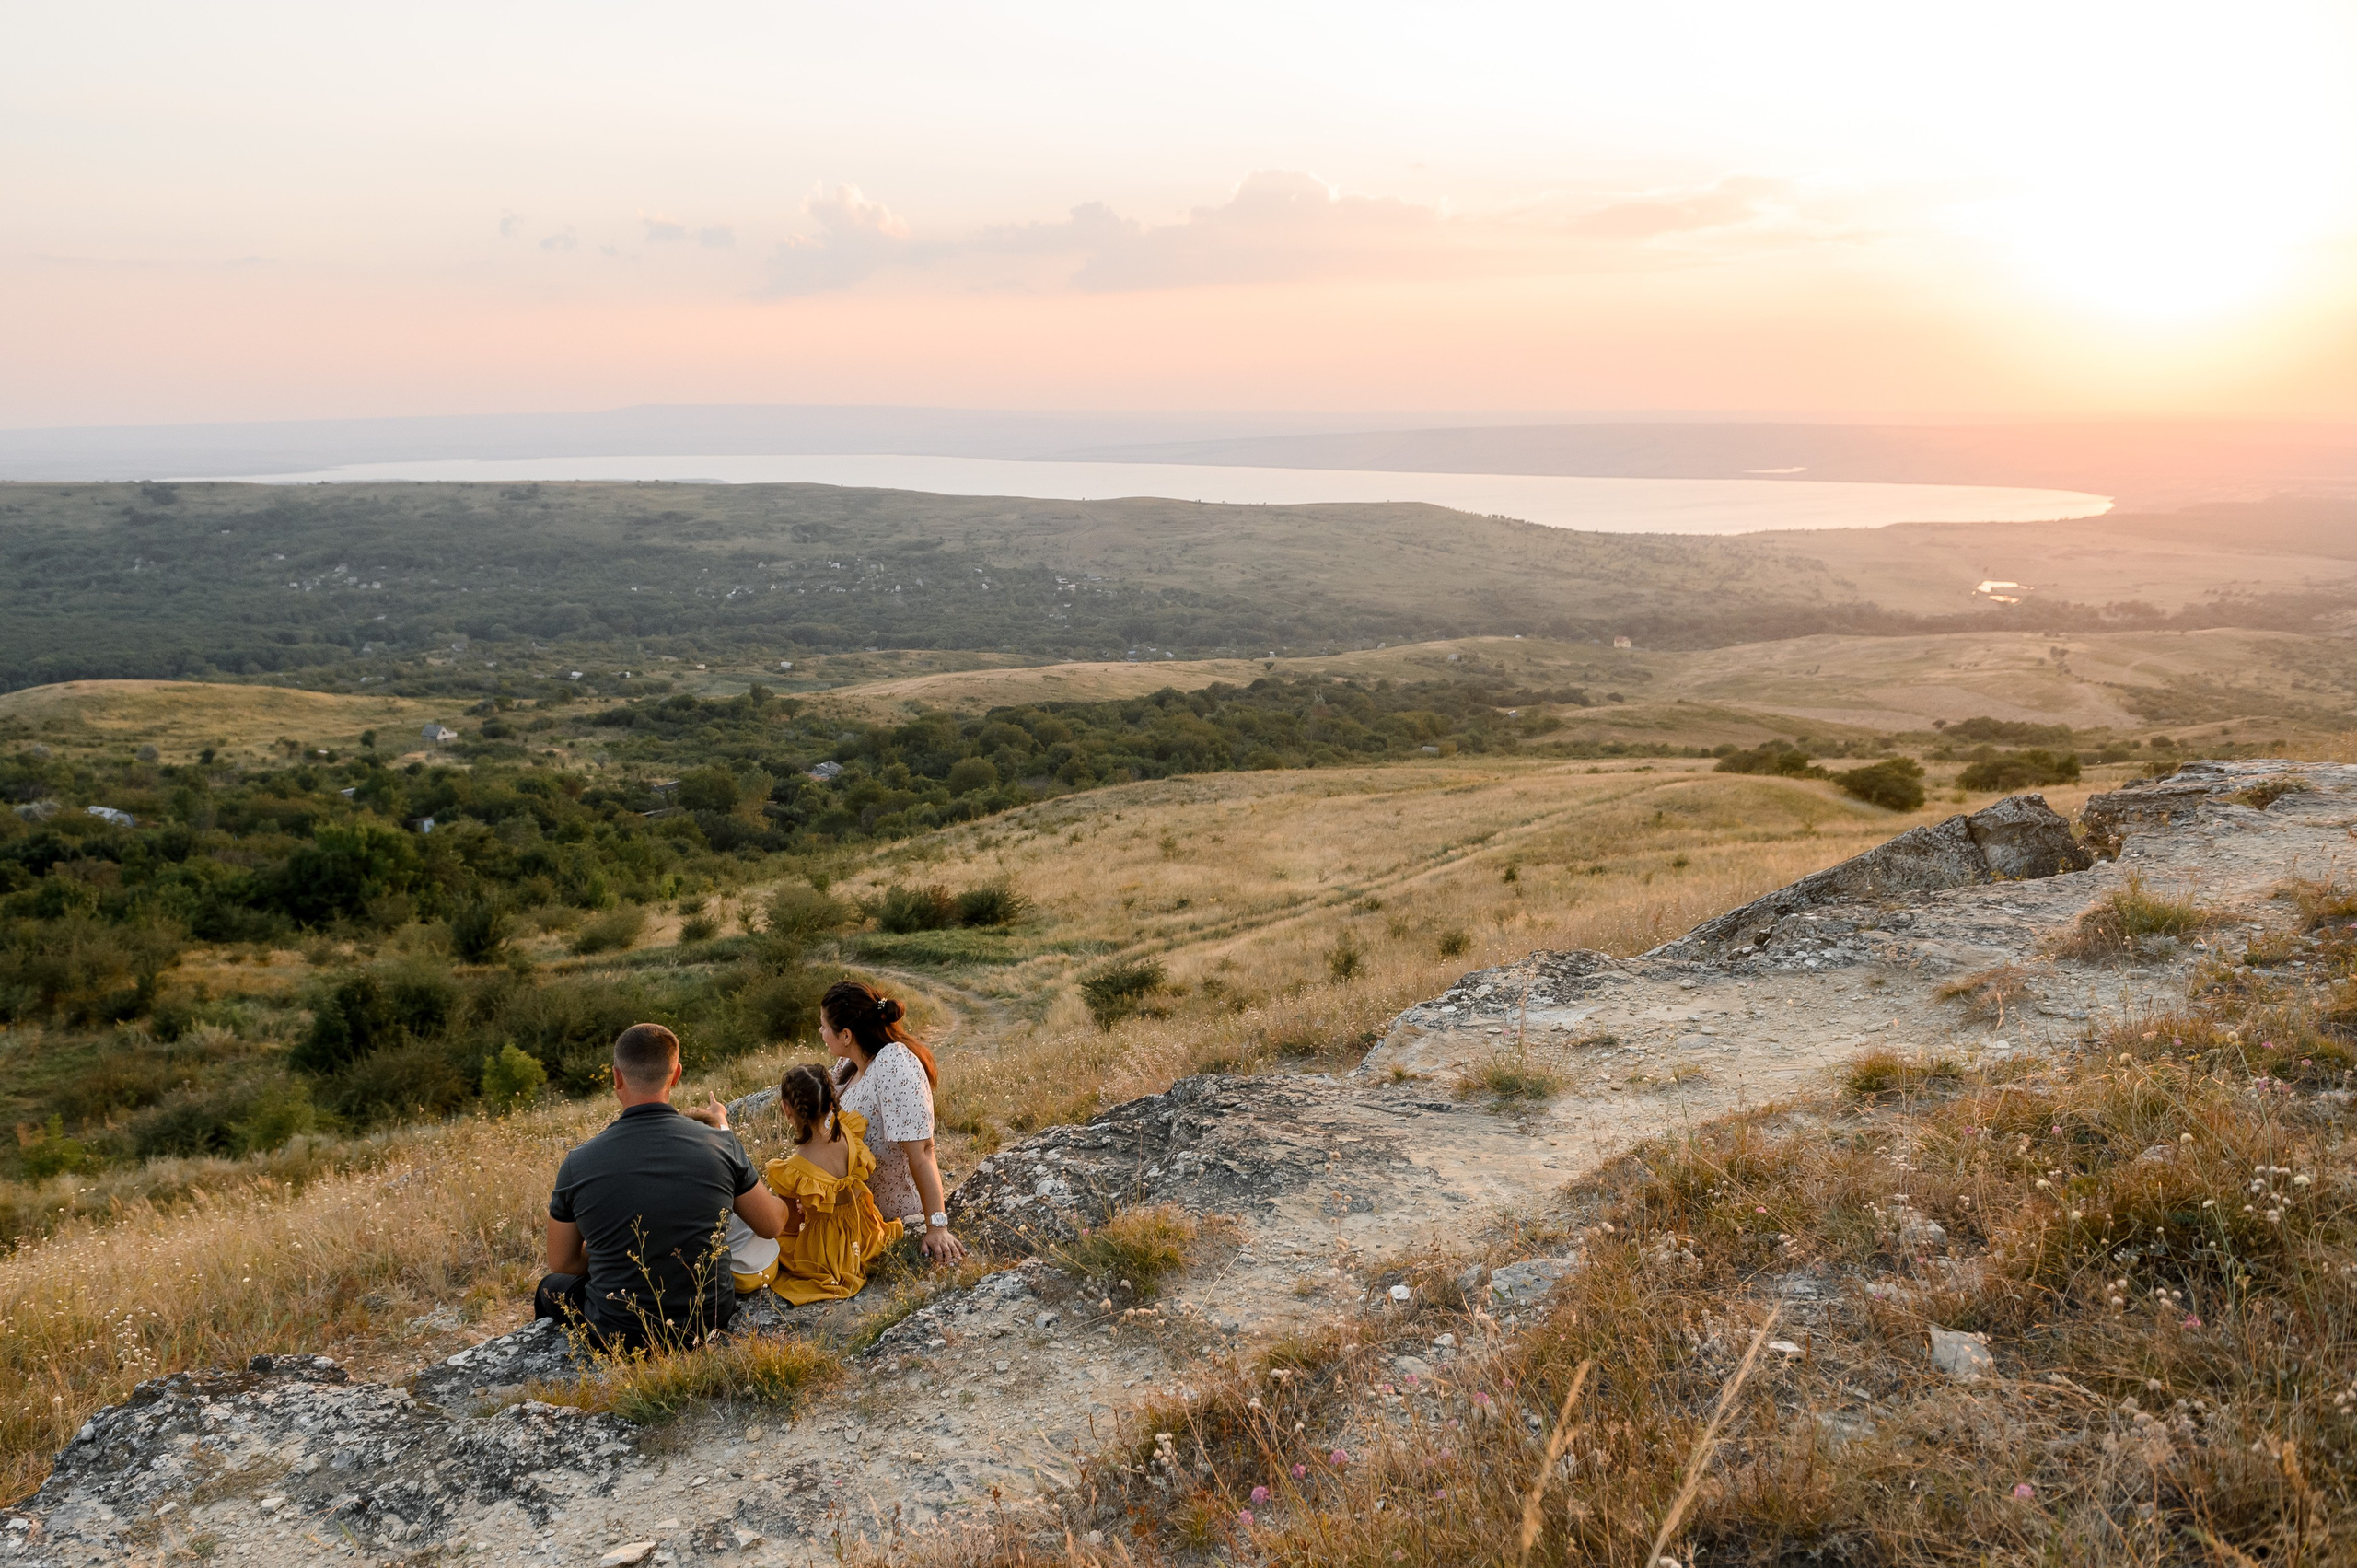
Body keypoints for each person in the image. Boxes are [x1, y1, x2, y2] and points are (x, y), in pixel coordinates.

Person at [537, 1023, 786, 1348]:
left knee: (548, 1286)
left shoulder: (577, 1163)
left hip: (619, 1332)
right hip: (708, 1317)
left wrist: (615, 1252)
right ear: (676, 1074)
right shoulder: (719, 1144)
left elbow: (563, 1262)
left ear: (616, 1077)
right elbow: (771, 1224)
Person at [821, 980, 967, 1265]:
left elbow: (924, 1150)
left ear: (847, 1035)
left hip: (891, 1219)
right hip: (851, 1214)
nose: (821, 1033)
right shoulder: (847, 1068)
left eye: (824, 1026)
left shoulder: (893, 1064)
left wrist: (937, 1227)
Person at [761, 1063, 903, 1303]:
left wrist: (805, 1210)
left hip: (827, 1252)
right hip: (864, 1231)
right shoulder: (849, 1132)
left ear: (787, 1109)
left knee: (775, 1245)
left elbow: (793, 1226)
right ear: (830, 1101)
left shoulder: (793, 1170)